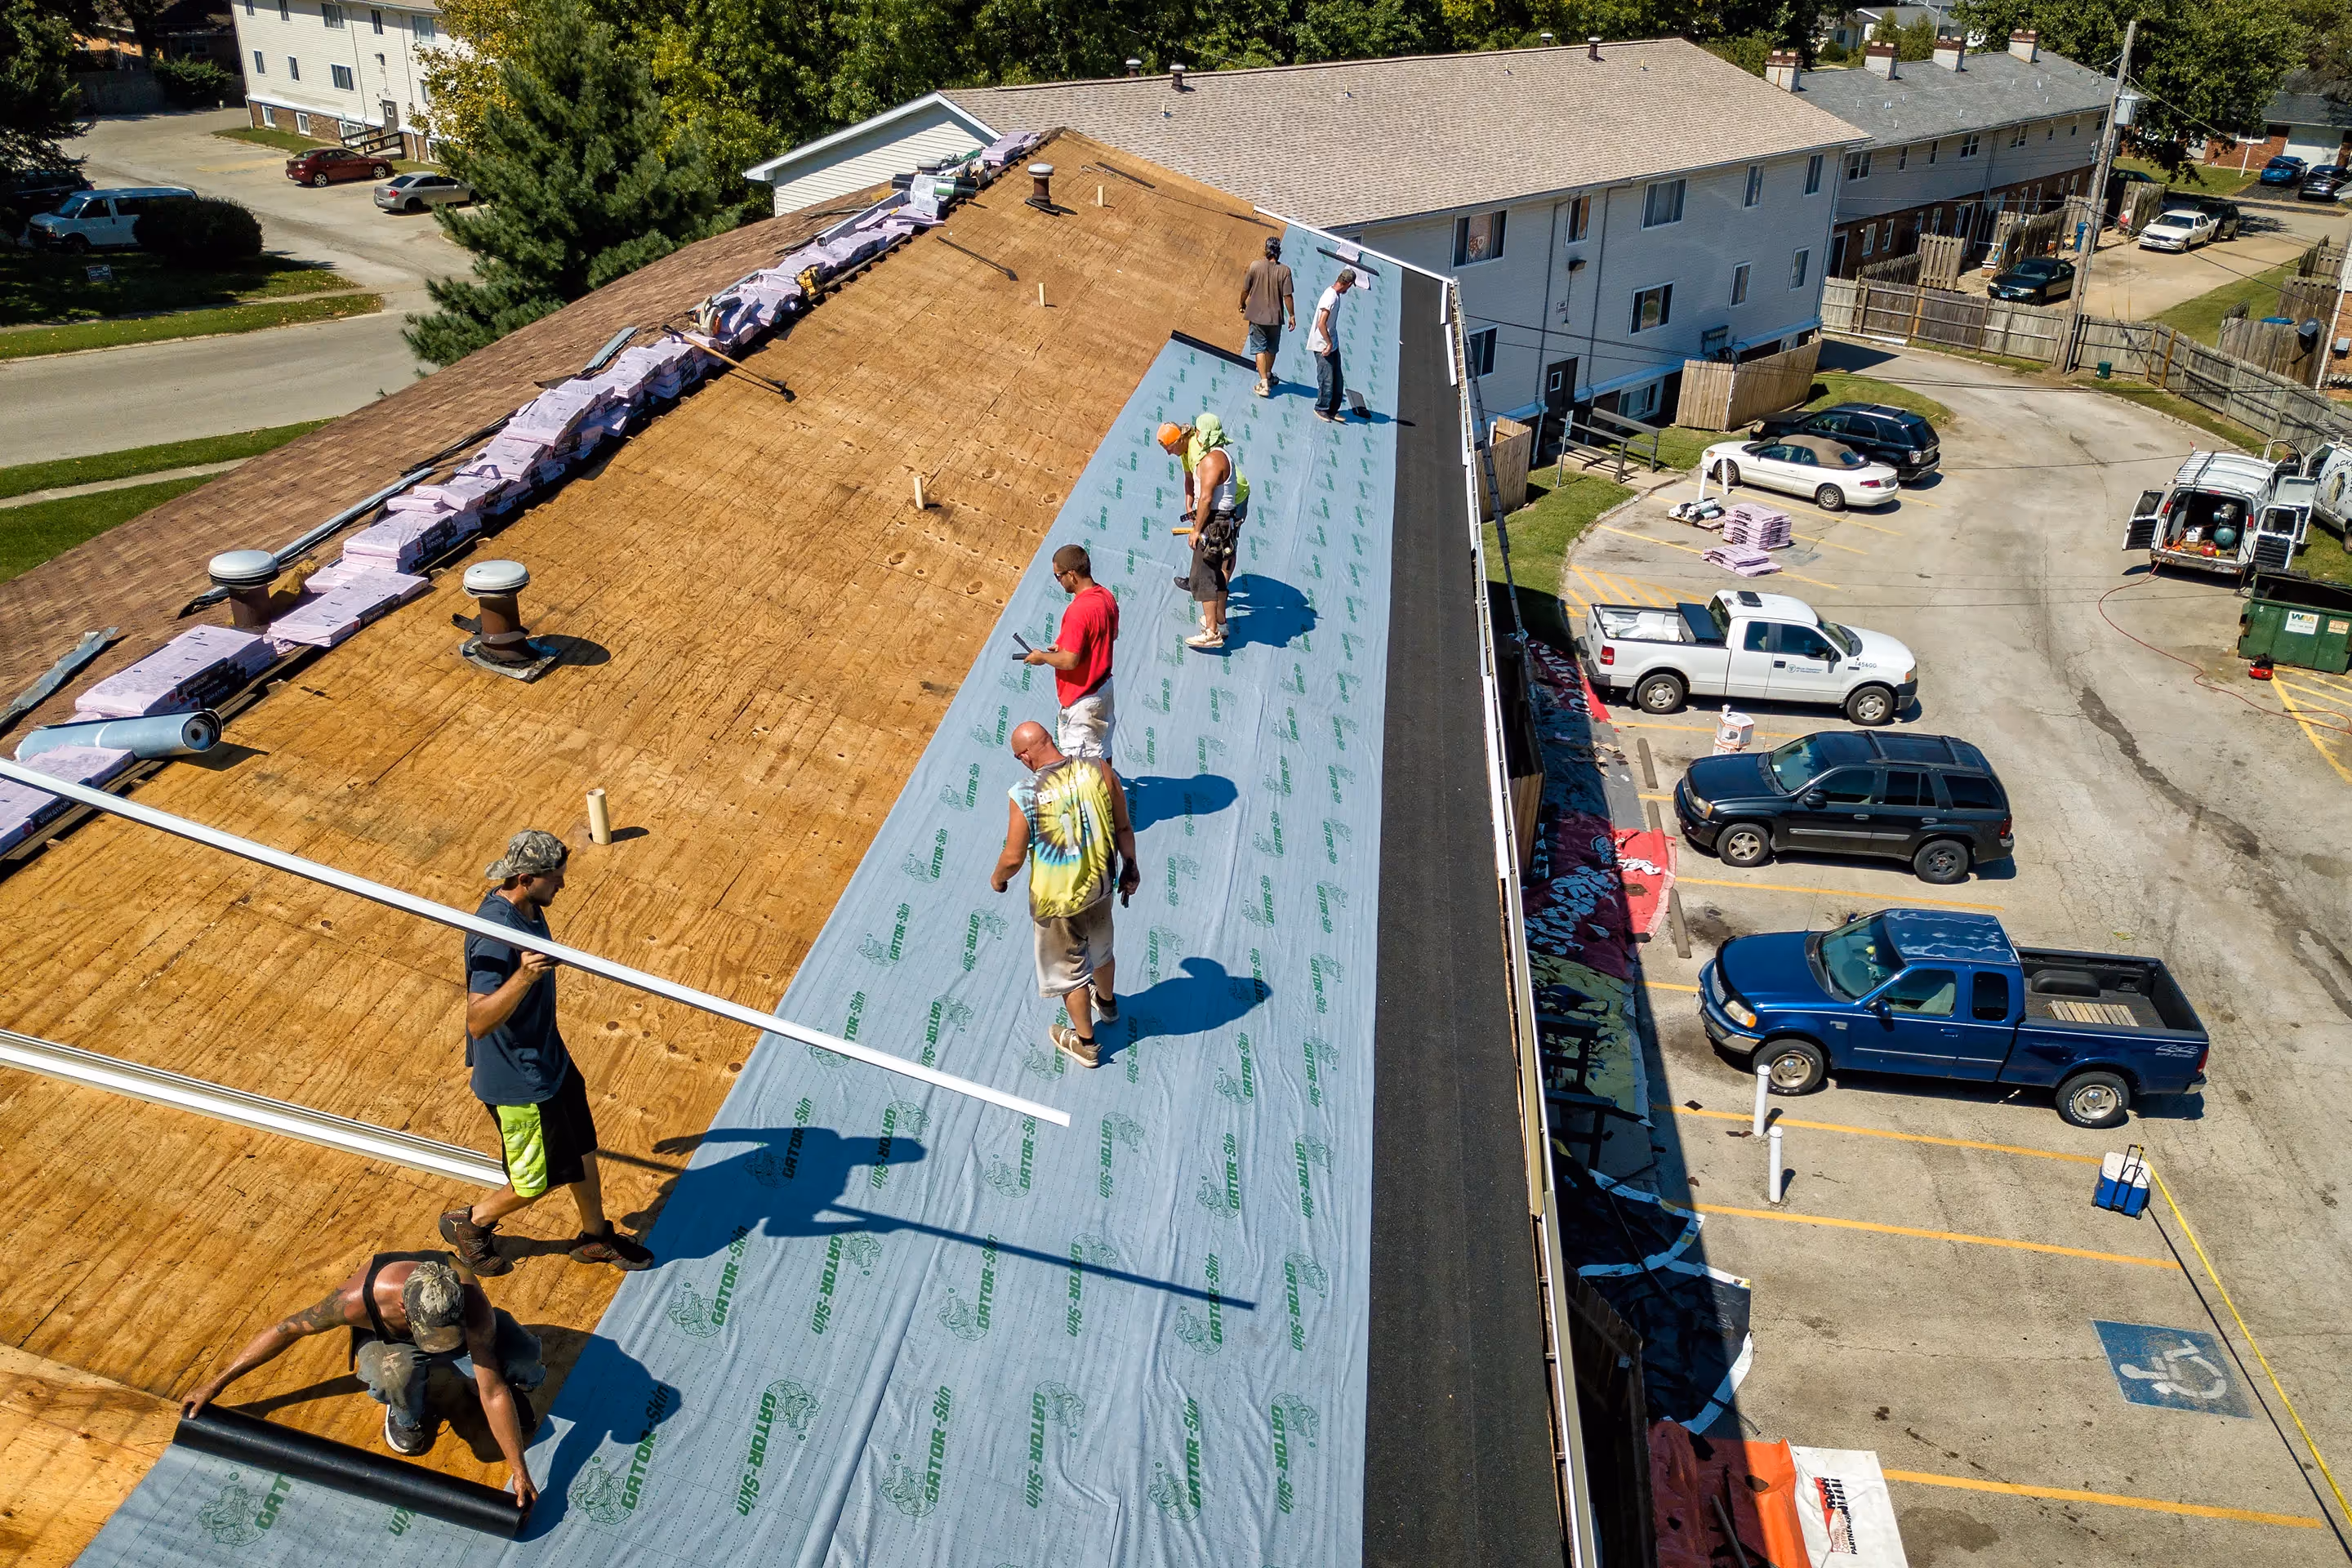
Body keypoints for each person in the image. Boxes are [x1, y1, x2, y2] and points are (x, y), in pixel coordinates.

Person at [439, 830, 653, 1278]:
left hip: (549, 1058)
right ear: (525, 878)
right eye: (554, 879)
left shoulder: (530, 908)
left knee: (583, 1148)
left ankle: (594, 1236)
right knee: (538, 1179)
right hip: (519, 1079)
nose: (562, 885)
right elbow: (477, 1020)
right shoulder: (495, 935)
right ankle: (472, 1222)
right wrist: (524, 977)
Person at [180, 1253, 543, 1508]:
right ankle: (405, 1413)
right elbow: (286, 1330)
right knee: (395, 1375)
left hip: (470, 1336)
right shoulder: (355, 1300)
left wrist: (519, 1471)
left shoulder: (471, 1303)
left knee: (524, 1356)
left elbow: (492, 1391)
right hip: (391, 1343)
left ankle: (490, 1383)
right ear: (403, 1307)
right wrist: (216, 1383)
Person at [991, 721, 1140, 1068]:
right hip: (1101, 886)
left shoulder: (1025, 794)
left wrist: (998, 879)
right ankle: (1107, 1005)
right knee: (1102, 951)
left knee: (1070, 975)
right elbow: (1123, 826)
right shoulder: (1099, 770)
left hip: (1058, 903)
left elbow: (1013, 858)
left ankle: (1086, 1044)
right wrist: (1131, 867)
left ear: (1025, 756)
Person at [1156, 413, 1248, 651]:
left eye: (1197, 432)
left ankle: (1211, 632)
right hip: (1224, 521)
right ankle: (1220, 622)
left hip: (1214, 522)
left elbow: (1206, 498)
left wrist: (1196, 530)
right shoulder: (1220, 455)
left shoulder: (1211, 460)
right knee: (1217, 573)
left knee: (1202, 575)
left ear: (1203, 434)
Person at [1026, 545, 1120, 762]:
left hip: (1083, 701)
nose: (1058, 581)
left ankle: (1100, 785)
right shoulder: (1106, 597)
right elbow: (1110, 635)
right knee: (1103, 750)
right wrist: (1065, 647)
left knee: (1080, 766)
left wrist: (1043, 657)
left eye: (1058, 576)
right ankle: (1108, 781)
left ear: (1072, 575)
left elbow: (1069, 661)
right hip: (1103, 689)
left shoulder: (1078, 611)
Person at [1240, 235, 1295, 398]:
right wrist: (1292, 315)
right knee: (1271, 349)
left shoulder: (1255, 266)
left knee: (1259, 349)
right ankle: (1269, 375)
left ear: (1266, 250)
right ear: (1279, 252)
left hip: (1257, 317)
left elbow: (1245, 289)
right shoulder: (1285, 271)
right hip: (1275, 319)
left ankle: (1264, 383)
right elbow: (1288, 296)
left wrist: (1241, 303)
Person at [1310, 267, 1358, 423]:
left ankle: (1332, 410)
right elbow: (1321, 323)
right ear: (1348, 284)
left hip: (1332, 344)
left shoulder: (1335, 295)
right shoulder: (1330, 298)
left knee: (1337, 379)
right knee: (1327, 378)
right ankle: (1321, 408)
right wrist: (1329, 343)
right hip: (1323, 345)